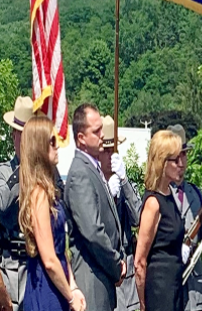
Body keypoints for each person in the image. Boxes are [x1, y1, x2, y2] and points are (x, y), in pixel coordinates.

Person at [17, 116, 85, 311]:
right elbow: (48, 259)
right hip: (46, 289)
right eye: (52, 141)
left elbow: (61, 248)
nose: (58, 146)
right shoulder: (38, 194)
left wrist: (73, 286)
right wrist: (71, 296)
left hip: (59, 284)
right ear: (39, 147)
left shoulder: (50, 191)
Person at [64, 104, 126, 311]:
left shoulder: (92, 169)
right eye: (96, 131)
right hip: (91, 282)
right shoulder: (81, 174)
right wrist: (116, 265)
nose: (102, 135)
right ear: (81, 138)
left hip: (100, 281)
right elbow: (93, 231)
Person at [135, 131, 186, 311]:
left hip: (175, 290)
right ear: (162, 163)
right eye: (175, 159)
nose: (181, 164)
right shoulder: (153, 203)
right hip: (159, 294)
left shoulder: (170, 196)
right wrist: (142, 304)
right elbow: (139, 261)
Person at [166, 125, 202, 311]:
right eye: (176, 157)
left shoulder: (195, 193)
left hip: (194, 288)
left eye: (184, 155)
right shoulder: (159, 195)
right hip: (170, 285)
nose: (181, 162)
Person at [99, 116, 142, 311]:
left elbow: (138, 218)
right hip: (107, 270)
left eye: (113, 150)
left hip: (128, 274)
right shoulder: (95, 185)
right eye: (105, 150)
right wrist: (107, 193)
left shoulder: (126, 184)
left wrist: (124, 181)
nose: (110, 155)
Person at [0, 97, 35, 311]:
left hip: (35, 270)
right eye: (22, 134)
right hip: (10, 270)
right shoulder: (5, 172)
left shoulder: (45, 173)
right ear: (14, 135)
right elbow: (1, 202)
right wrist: (21, 171)